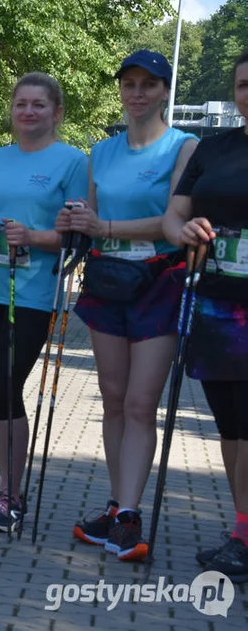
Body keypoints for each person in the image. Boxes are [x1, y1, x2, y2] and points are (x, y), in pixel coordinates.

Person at [59, 50, 197, 561]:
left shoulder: (185, 147)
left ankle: (132, 515)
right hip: (107, 280)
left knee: (141, 403)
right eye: (129, 84)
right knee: (112, 398)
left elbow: (171, 219)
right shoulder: (101, 151)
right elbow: (90, 216)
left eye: (148, 85)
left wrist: (107, 228)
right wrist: (75, 219)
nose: (137, 93)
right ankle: (118, 507)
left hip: (160, 279)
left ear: (164, 91)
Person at [0, 73, 88, 532]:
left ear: (57, 112)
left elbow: (77, 235)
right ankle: (5, 480)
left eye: (39, 105)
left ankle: (13, 496)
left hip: (33, 292)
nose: (29, 112)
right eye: (21, 104)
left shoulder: (73, 161)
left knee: (7, 383)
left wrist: (33, 237)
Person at [163, 49, 248, 582]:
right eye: (243, 85)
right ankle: (242, 531)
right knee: (233, 427)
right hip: (218, 302)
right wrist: (185, 232)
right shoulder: (214, 150)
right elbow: (175, 215)